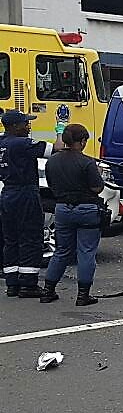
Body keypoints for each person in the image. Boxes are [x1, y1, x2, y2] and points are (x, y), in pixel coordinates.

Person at [39, 124, 103, 306]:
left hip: (62, 209)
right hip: (87, 209)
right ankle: (83, 295)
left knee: (61, 251)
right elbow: (97, 187)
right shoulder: (87, 162)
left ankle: (48, 290)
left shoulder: (52, 161)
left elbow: (51, 185)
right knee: (86, 252)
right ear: (82, 141)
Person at [0, 109, 61, 297]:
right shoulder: (22, 144)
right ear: (14, 126)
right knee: (31, 237)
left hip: (7, 192)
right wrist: (61, 126)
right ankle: (28, 284)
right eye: (25, 123)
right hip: (24, 192)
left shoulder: (2, 142)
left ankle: (12, 283)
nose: (28, 126)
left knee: (11, 239)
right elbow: (57, 148)